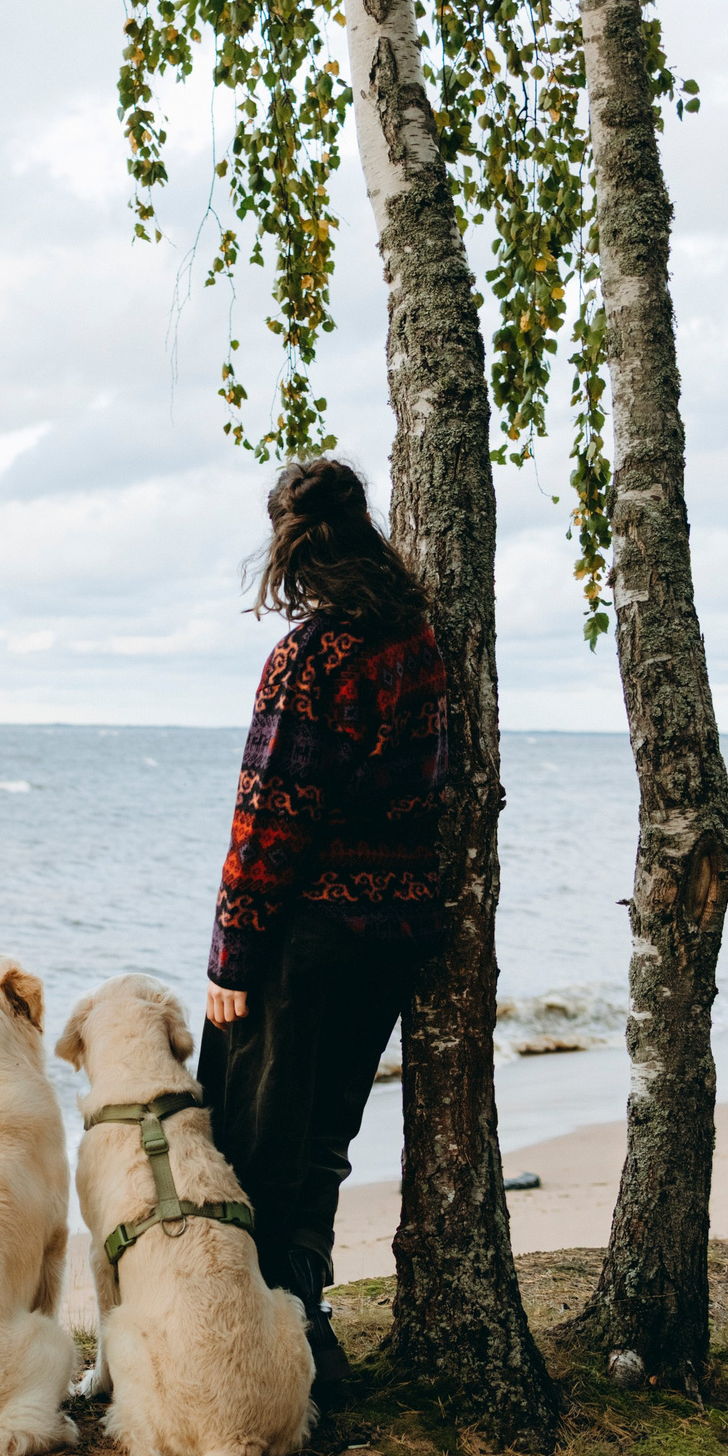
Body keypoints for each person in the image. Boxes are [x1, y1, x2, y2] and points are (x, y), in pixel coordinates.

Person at [196, 457, 448, 1402]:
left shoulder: (310, 657)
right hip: (390, 939)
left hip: (305, 942)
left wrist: (233, 956)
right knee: (326, 1142)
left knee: (254, 1148)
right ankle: (310, 1342)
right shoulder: (416, 643)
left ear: (293, 546)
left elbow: (271, 814)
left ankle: (271, 1359)